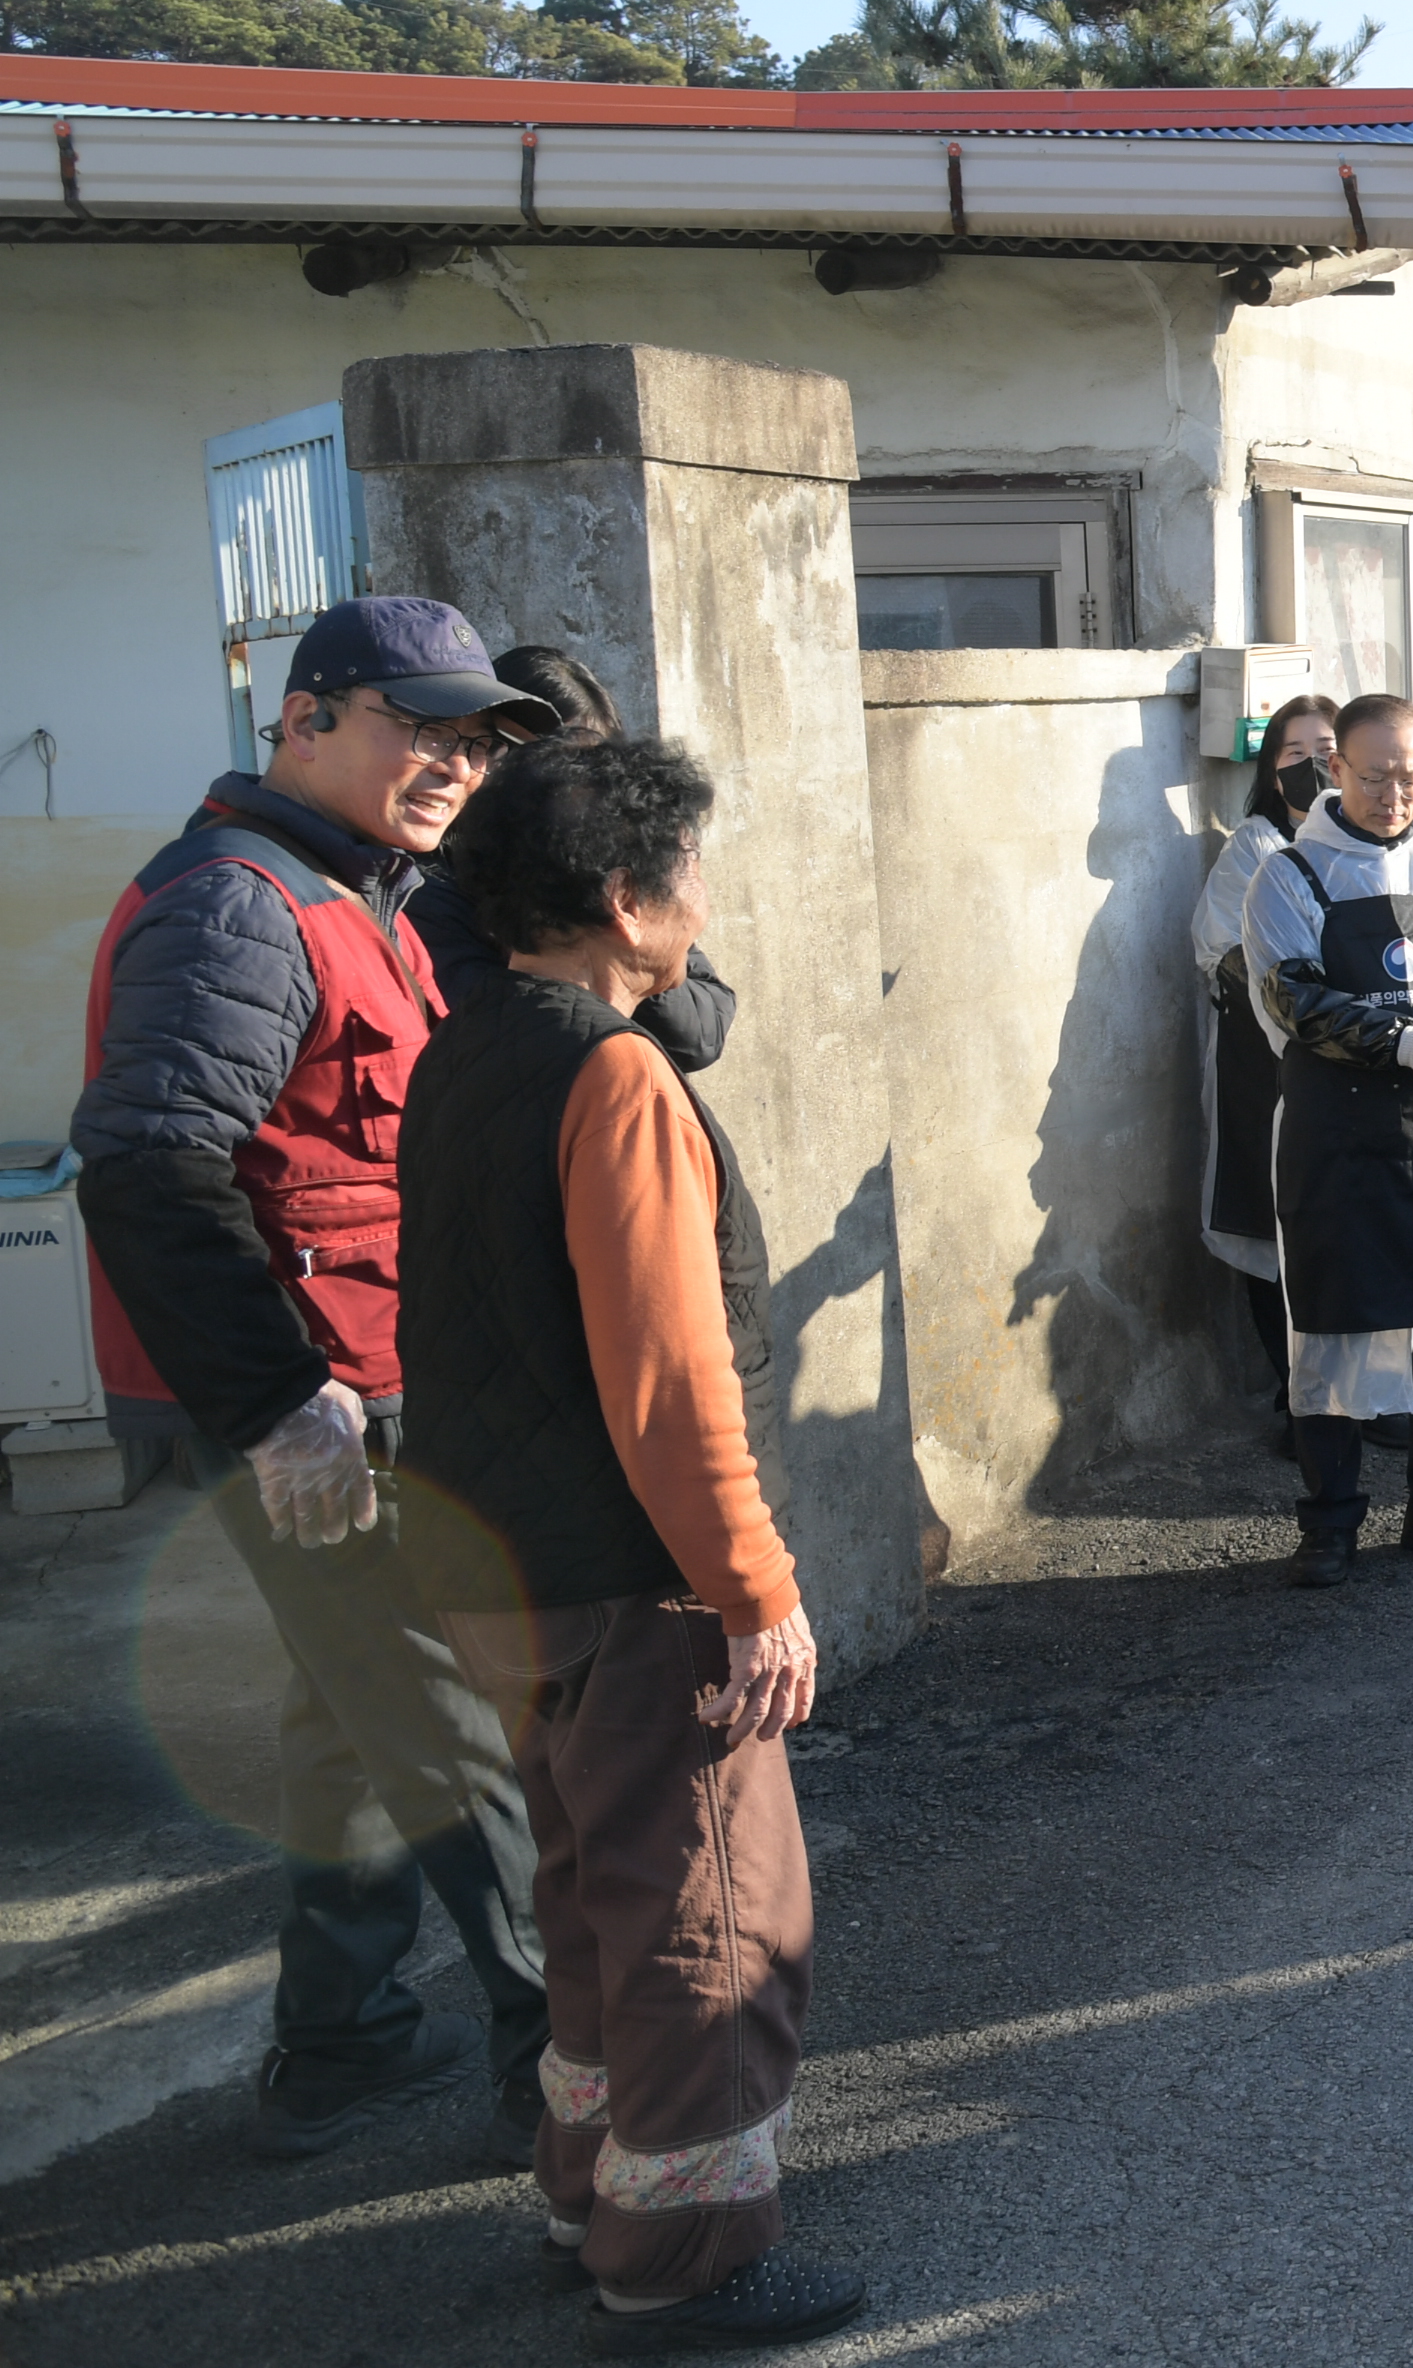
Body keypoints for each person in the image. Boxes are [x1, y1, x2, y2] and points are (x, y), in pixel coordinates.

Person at [72, 595, 557, 2164]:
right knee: (450, 1724)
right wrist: (283, 1406)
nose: (454, 762)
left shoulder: (359, 894)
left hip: (352, 1387)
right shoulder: (240, 905)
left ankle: (337, 2047)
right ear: (307, 716)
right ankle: (575, 2076)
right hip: (310, 1408)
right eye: (420, 726)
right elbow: (151, 1166)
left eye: (474, 740)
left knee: (352, 1723)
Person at [406, 735, 865, 2352]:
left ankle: (584, 2184)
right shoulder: (615, 1074)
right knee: (710, 1913)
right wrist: (759, 1590)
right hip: (630, 1576)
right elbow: (672, 1379)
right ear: (626, 894)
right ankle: (679, 2255)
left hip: (499, 1573)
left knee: (595, 1897)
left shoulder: (461, 1051)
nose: (707, 898)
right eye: (692, 867)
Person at [1240, 696, 1413, 1586]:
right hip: (1339, 1137)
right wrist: (1407, 1043)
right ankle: (1329, 1524)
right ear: (1335, 773)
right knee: (1335, 1331)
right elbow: (1296, 1000)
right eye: (1374, 777)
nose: (1395, 794)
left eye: (1409, 776)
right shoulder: (1287, 877)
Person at [408, 645, 736, 1070]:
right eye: (559, 767)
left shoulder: (622, 874)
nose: (586, 789)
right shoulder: (427, 888)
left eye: (599, 765)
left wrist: (615, 933)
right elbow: (505, 1035)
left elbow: (701, 1031)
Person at [1192, 692, 1346, 1450]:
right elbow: (1222, 949)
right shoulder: (1254, 846)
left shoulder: (1367, 843)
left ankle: (1359, 1395)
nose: (1313, 767)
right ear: (1270, 768)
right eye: (1294, 755)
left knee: (1349, 1223)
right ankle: (1298, 1400)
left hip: (1362, 1066)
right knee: (1273, 1224)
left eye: (1326, 749)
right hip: (1270, 1064)